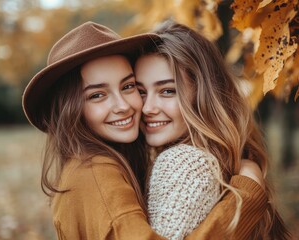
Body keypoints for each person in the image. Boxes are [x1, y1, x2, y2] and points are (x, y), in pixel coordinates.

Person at [22, 21, 269, 240]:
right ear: (70, 109)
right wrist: (245, 198)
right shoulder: (96, 172)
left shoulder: (110, 165)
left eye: (129, 87)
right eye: (97, 95)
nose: (125, 105)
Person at [134, 20, 291, 239]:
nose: (147, 108)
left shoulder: (183, 162)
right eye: (141, 92)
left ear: (202, 96)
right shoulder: (226, 160)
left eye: (168, 91)